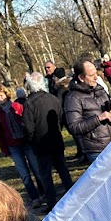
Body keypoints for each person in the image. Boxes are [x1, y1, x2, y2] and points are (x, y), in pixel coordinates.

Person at [22, 71, 73, 211]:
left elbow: (28, 127)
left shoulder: (29, 104)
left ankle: (52, 202)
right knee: (63, 170)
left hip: (41, 144)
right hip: (55, 140)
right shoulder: (52, 98)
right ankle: (73, 195)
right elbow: (60, 117)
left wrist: (32, 140)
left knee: (46, 175)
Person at [0, 85, 43, 207]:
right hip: (13, 145)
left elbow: (27, 122)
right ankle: (34, 197)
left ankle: (44, 193)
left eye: (1, 96)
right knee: (24, 173)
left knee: (36, 168)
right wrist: (4, 149)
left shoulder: (17, 106)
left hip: (26, 142)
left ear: (7, 95)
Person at [64, 57, 111, 165]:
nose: (96, 77)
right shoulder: (73, 98)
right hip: (96, 150)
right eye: (91, 75)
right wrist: (98, 119)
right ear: (81, 77)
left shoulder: (100, 89)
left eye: (96, 73)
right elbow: (74, 127)